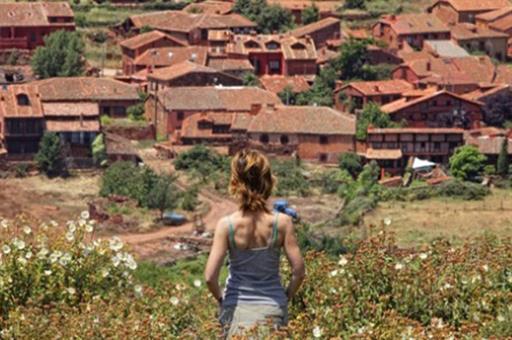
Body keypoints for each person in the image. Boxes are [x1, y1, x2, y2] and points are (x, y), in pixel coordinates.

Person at [204, 149, 305, 338]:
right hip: (273, 311)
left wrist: (222, 299)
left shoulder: (226, 226)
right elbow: (299, 271)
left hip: (236, 313)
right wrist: (285, 296)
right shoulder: (282, 223)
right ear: (268, 181)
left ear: (235, 183)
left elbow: (210, 277)